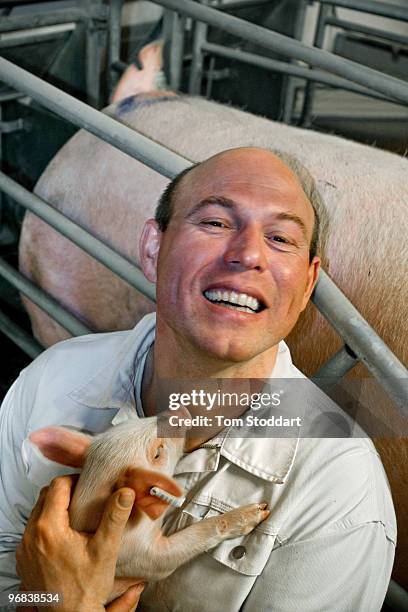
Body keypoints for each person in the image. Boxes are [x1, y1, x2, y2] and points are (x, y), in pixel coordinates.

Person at [0, 147, 396, 611]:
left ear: (308, 285)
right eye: (215, 223)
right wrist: (49, 597)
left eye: (281, 238)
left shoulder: (339, 489)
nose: (248, 253)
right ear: (154, 249)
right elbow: (7, 572)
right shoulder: (51, 379)